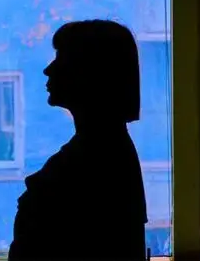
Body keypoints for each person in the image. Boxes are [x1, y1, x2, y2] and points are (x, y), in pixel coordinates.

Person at [8, 20, 148, 261]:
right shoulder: (105, 148)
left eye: (61, 59)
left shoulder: (97, 156)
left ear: (91, 72)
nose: (48, 70)